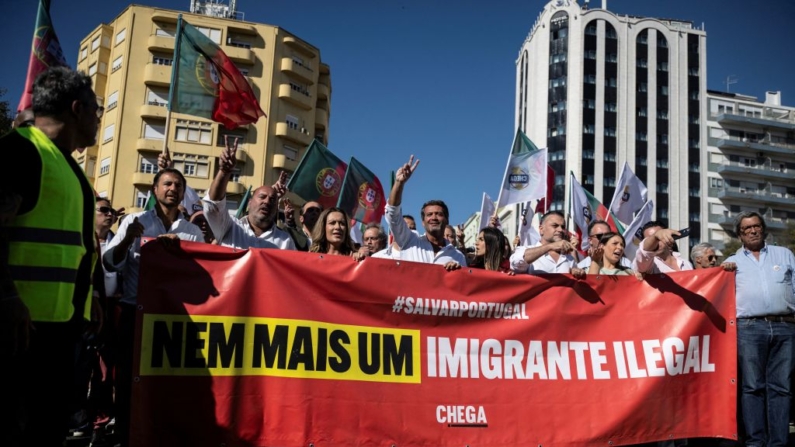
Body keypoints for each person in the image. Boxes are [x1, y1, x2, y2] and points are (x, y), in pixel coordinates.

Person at [0, 67, 99, 446]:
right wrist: (5, 298)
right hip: (17, 334)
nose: (97, 119)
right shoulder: (20, 151)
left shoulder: (68, 166)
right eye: (96, 110)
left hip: (57, 330)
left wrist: (90, 303)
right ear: (77, 109)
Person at [102, 168, 204, 447]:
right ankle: (125, 434)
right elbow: (111, 263)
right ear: (155, 190)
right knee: (127, 382)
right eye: (167, 183)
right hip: (135, 315)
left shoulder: (193, 232)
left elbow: (202, 276)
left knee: (167, 384)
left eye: (178, 185)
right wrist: (126, 240)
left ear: (184, 192)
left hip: (175, 319)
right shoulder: (134, 221)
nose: (173, 188)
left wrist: (181, 254)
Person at [725, 211, 795, 447]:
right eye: (747, 229)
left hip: (785, 327)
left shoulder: (784, 254)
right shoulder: (731, 263)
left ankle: (779, 442)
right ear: (740, 235)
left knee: (782, 388)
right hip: (749, 329)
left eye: (756, 226)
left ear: (763, 229)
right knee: (752, 387)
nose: (753, 231)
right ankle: (755, 442)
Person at [202, 142, 294, 250]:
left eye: (272, 200)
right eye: (262, 197)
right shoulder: (229, 227)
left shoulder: (286, 241)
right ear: (249, 203)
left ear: (276, 208)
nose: (267, 201)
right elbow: (214, 205)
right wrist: (224, 171)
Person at [385, 155, 466, 271]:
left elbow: (463, 287)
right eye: (429, 214)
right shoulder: (409, 241)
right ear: (423, 222)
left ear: (447, 220)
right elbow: (392, 213)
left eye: (439, 214)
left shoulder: (458, 257)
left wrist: (457, 273)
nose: (434, 218)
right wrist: (399, 183)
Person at [510, 211, 586, 278]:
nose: (560, 230)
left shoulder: (569, 258)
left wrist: (575, 273)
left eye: (563, 227)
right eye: (555, 226)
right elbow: (516, 263)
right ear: (541, 229)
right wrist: (550, 246)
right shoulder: (524, 250)